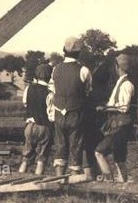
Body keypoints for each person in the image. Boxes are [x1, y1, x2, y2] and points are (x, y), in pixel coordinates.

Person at [50, 36, 92, 177]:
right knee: (76, 147)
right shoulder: (84, 70)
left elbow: (53, 91)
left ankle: (58, 181)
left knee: (60, 146)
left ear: (64, 51)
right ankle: (74, 183)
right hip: (76, 113)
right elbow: (88, 92)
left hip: (58, 112)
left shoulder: (55, 69)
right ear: (79, 53)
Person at [94, 53, 136, 182]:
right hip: (120, 126)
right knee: (119, 159)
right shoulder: (122, 82)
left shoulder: (126, 85)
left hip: (119, 126)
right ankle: (123, 184)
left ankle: (109, 181)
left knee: (99, 152)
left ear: (118, 67)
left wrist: (104, 108)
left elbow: (123, 108)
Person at [18, 63, 54, 175]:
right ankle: (38, 181)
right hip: (44, 127)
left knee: (26, 155)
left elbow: (25, 103)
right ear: (49, 77)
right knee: (41, 157)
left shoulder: (28, 88)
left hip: (29, 126)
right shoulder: (50, 94)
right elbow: (51, 115)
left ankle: (20, 176)